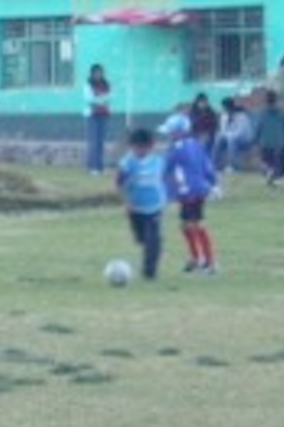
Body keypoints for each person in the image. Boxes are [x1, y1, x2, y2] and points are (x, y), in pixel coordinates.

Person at [160, 112, 220, 275]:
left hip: (190, 192)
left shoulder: (177, 148)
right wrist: (214, 184)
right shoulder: (195, 144)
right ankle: (195, 258)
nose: (169, 135)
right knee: (186, 225)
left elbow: (165, 169)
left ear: (180, 131)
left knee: (195, 224)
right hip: (195, 190)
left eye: (171, 132)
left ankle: (209, 262)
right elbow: (207, 166)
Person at [115, 127, 166, 280]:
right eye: (137, 147)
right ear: (132, 146)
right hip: (135, 207)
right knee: (141, 238)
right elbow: (119, 183)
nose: (140, 151)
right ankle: (145, 242)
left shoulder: (159, 161)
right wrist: (126, 203)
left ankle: (149, 272)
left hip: (155, 206)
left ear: (150, 147)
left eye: (144, 147)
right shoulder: (127, 162)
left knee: (153, 239)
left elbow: (165, 178)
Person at [83, 63, 112, 174]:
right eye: (96, 73)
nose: (98, 75)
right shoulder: (88, 85)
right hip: (91, 115)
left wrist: (102, 99)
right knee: (93, 142)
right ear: (92, 74)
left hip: (103, 114)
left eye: (100, 72)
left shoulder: (106, 84)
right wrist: (101, 100)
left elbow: (110, 97)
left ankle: (100, 167)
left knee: (100, 142)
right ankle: (92, 167)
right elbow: (89, 99)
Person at [254, 89, 284, 185]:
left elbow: (258, 128)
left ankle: (270, 174)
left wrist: (255, 141)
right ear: (276, 100)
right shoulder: (283, 113)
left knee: (266, 163)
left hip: (265, 143)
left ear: (265, 100)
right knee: (276, 165)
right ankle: (272, 176)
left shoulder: (261, 113)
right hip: (280, 144)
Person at [214, 96, 255, 173]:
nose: (224, 110)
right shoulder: (224, 116)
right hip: (230, 138)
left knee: (231, 140)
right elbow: (223, 130)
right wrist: (222, 136)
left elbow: (241, 132)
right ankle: (215, 165)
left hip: (245, 140)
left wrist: (228, 136)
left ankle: (233, 166)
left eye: (225, 108)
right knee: (218, 138)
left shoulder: (242, 116)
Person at [188, 92, 219, 156]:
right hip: (195, 135)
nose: (203, 104)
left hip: (208, 135)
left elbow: (215, 125)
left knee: (206, 144)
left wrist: (208, 134)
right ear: (197, 103)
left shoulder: (211, 112)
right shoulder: (192, 112)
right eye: (201, 102)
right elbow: (191, 126)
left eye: (204, 102)